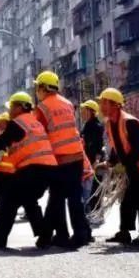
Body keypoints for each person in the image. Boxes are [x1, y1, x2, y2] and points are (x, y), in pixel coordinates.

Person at [0, 92, 53, 250]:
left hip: (31, 169)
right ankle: (44, 236)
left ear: (20, 107)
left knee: (8, 203)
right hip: (46, 169)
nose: (10, 110)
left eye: (12, 106)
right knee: (29, 201)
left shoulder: (17, 123)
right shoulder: (34, 122)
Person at [95, 87, 139, 247]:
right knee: (127, 198)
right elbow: (117, 147)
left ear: (116, 105)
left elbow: (137, 149)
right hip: (136, 166)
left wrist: (124, 166)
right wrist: (109, 163)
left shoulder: (130, 122)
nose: (101, 106)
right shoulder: (111, 123)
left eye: (105, 103)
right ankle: (124, 232)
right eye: (101, 102)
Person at [34, 70, 91, 248]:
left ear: (43, 88)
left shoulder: (43, 108)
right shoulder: (68, 104)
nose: (37, 91)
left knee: (56, 197)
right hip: (76, 156)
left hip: (58, 159)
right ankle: (80, 234)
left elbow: (39, 134)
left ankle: (54, 236)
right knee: (74, 197)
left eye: (37, 87)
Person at [80, 99, 104, 203]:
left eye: (84, 111)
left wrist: (97, 161)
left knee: (95, 189)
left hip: (95, 164)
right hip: (87, 164)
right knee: (88, 191)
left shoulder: (97, 127)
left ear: (92, 112)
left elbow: (100, 145)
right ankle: (90, 213)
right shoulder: (86, 126)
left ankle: (96, 215)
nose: (82, 114)